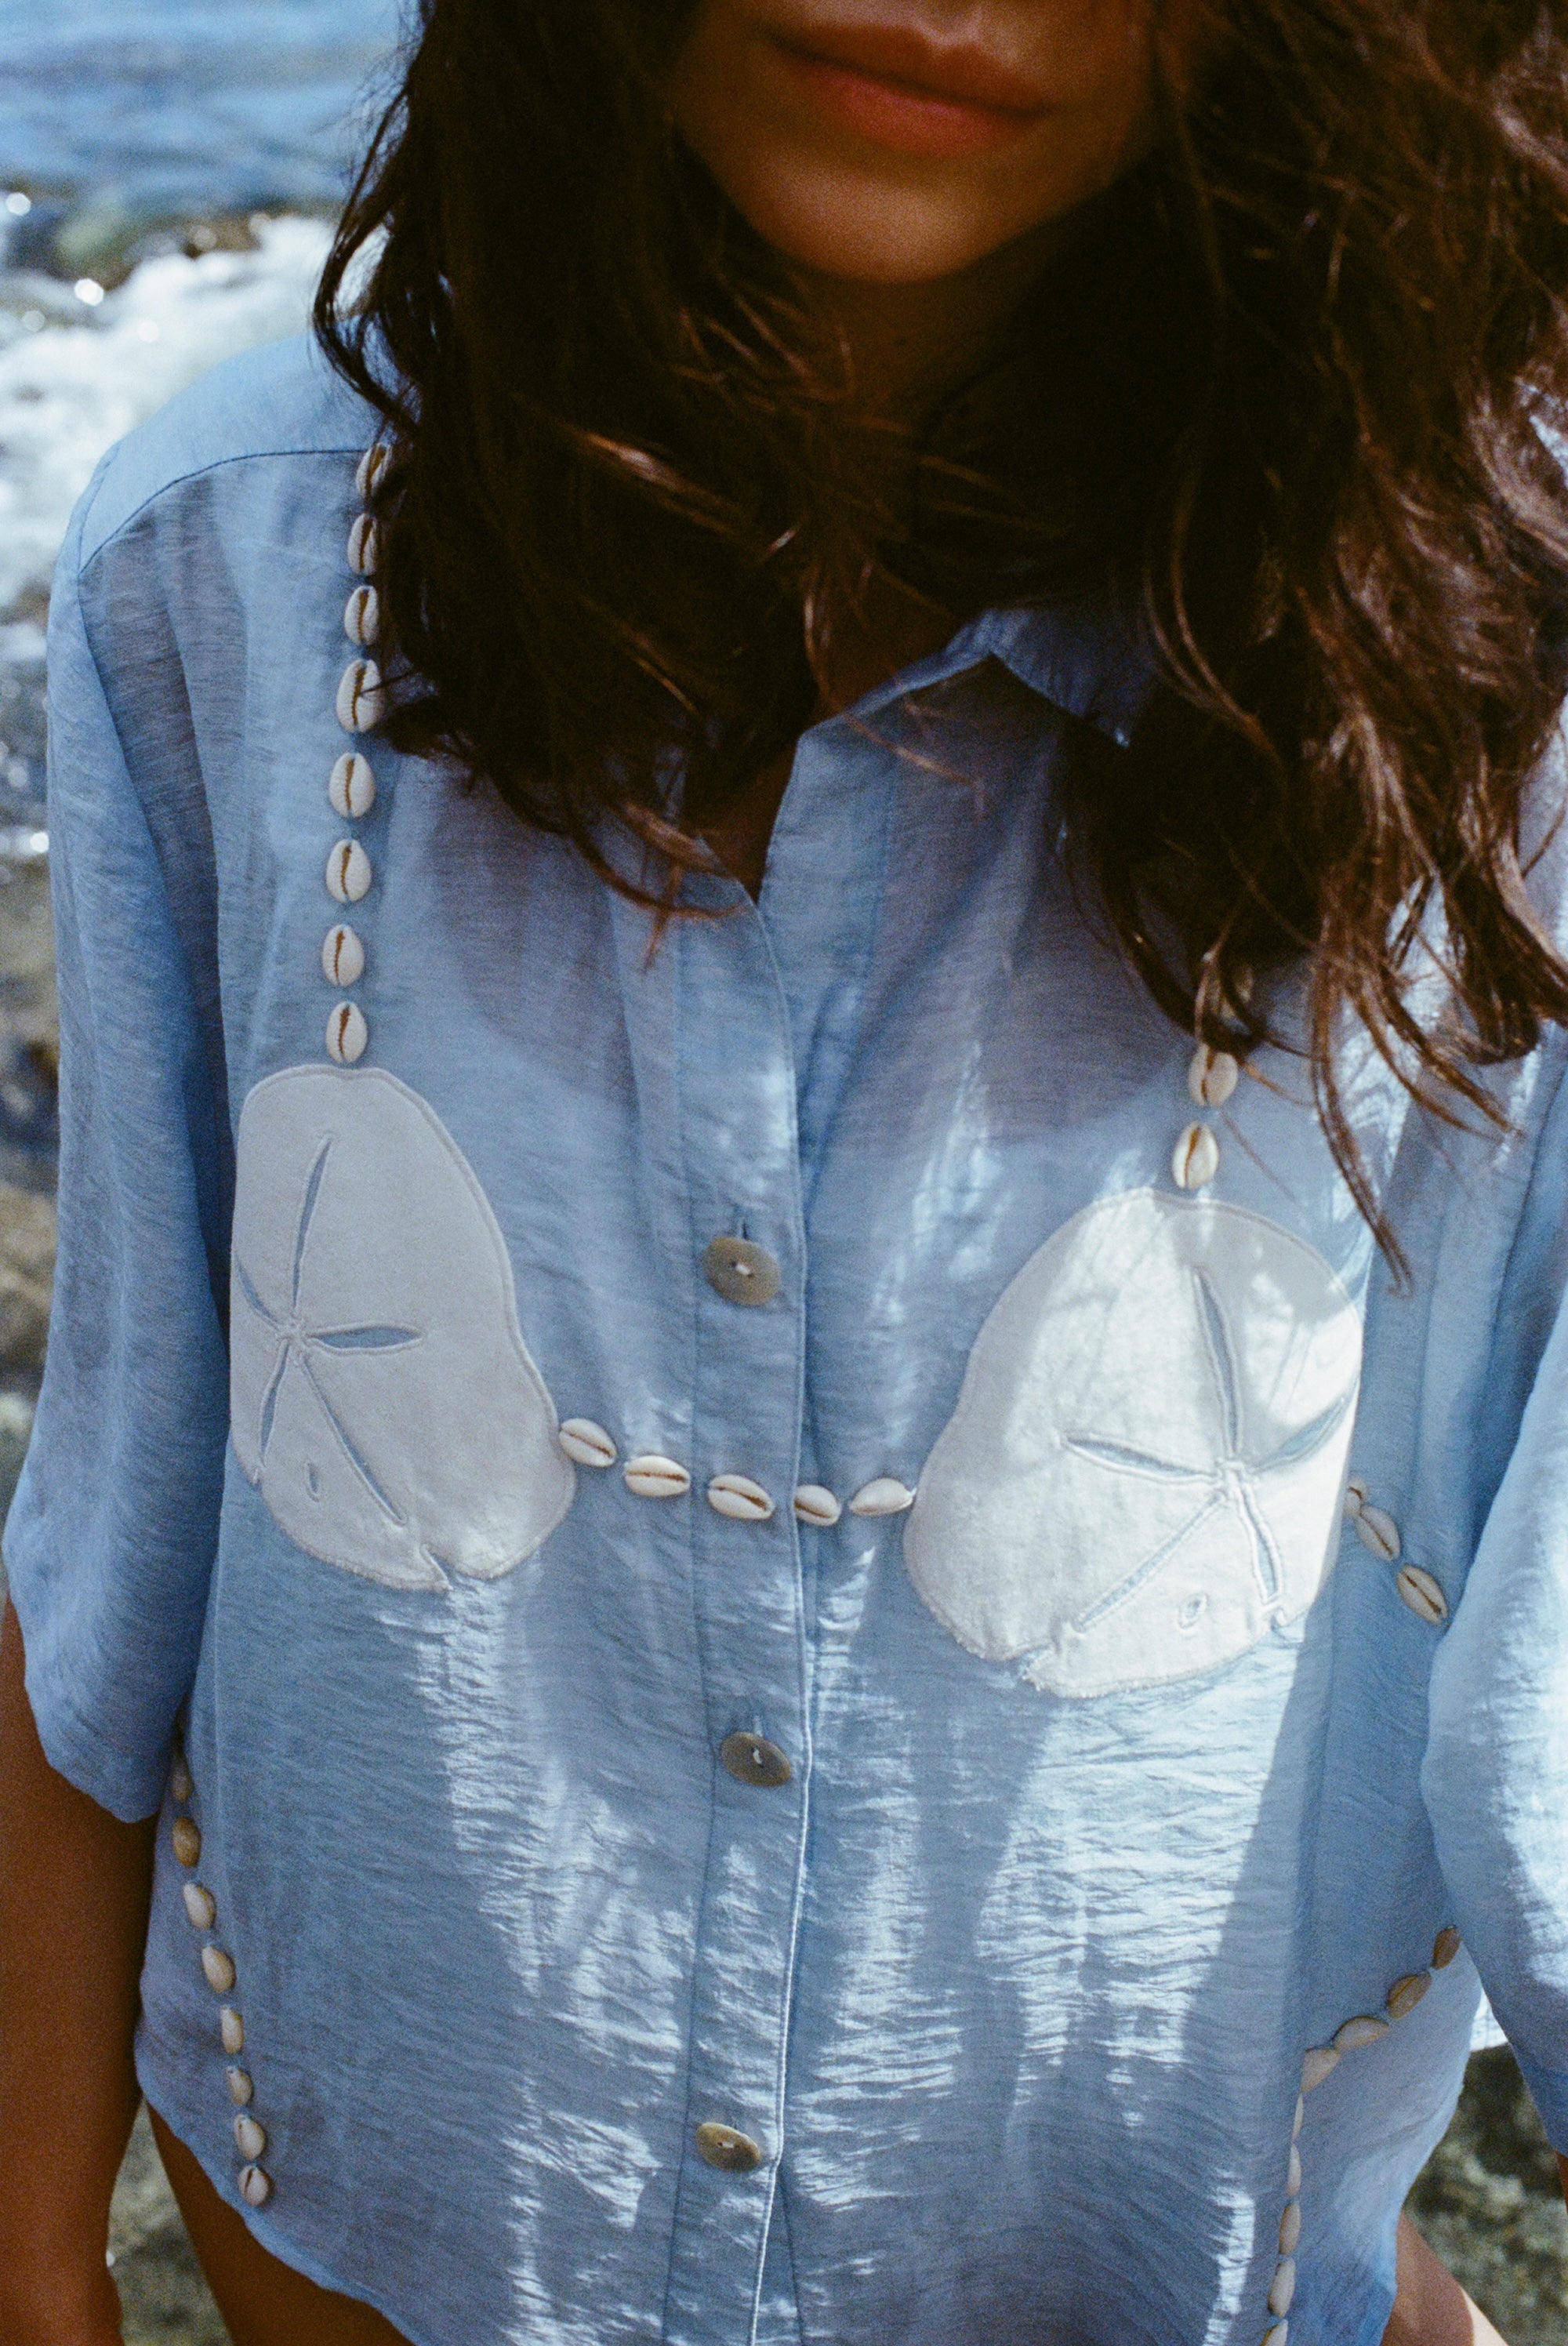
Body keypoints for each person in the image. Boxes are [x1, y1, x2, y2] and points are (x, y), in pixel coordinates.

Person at [2, 0, 1568, 2339]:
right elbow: (116, 1520)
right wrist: (36, 2260)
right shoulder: (223, 576)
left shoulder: (1490, 714)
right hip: (356, 2241)